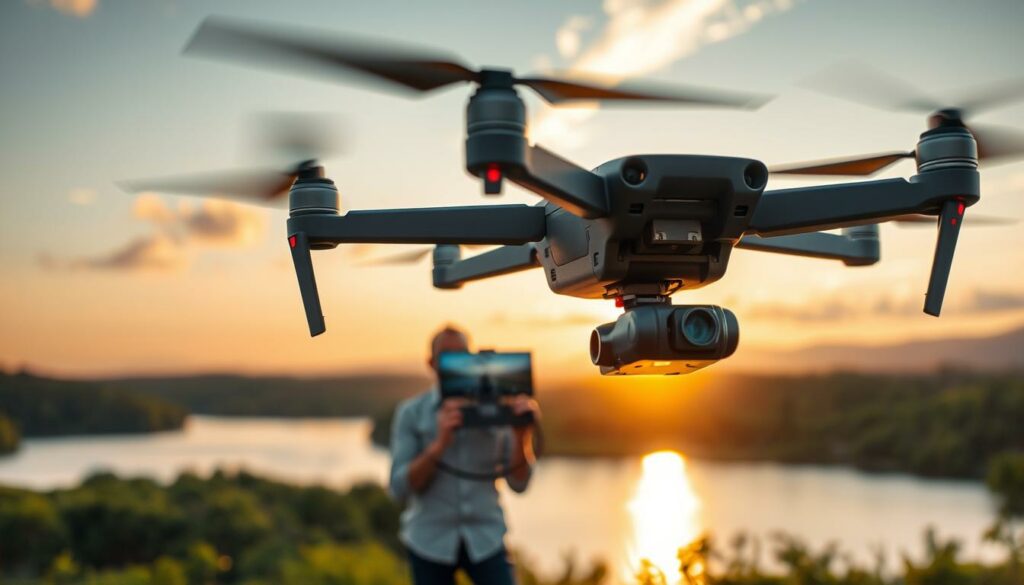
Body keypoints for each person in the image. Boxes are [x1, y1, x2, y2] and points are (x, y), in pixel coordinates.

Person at [389, 325, 540, 585]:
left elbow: (519, 483)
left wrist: (521, 437)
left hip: (486, 538)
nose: (454, 364)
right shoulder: (411, 413)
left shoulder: (499, 410)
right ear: (431, 363)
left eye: (462, 357)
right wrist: (439, 444)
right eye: (447, 357)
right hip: (429, 541)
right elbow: (398, 488)